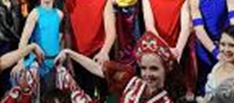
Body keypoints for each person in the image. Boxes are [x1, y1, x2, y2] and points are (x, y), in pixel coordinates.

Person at [55, 31, 187, 103]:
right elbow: (99, 69)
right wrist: (69, 53)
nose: (147, 74)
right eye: (143, 68)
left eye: (154, 68)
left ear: (166, 69)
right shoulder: (132, 82)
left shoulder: (166, 100)